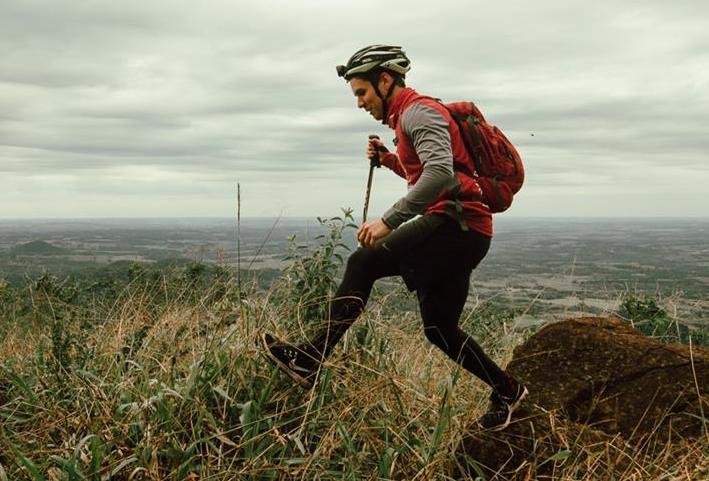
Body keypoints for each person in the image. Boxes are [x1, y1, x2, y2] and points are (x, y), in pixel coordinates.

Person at [263, 45, 528, 431]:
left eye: (361, 92)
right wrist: (388, 159)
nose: (359, 102)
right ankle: (507, 390)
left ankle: (309, 359)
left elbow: (439, 174)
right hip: (466, 231)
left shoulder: (418, 112)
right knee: (440, 330)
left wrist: (388, 221)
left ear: (385, 80)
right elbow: (433, 168)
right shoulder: (411, 116)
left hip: (455, 225)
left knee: (363, 262)